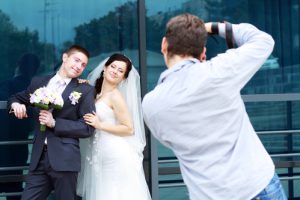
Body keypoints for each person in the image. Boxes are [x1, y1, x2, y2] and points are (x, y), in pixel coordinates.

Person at [142, 14, 286, 200]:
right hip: (255, 186)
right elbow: (263, 41)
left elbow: (168, 140)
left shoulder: (151, 104)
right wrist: (214, 27)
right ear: (203, 52)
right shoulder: (218, 71)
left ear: (164, 45)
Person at [7, 45, 95, 200]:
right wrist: (15, 104)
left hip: (65, 160)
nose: (79, 66)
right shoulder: (38, 82)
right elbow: (16, 97)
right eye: (76, 60)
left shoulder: (84, 90)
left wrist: (55, 123)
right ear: (65, 57)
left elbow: (87, 128)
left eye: (83, 65)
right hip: (38, 160)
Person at [77, 53, 151, 200]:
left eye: (120, 71)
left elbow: (129, 128)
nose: (115, 71)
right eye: (113, 66)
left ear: (124, 77)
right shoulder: (96, 93)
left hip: (115, 155)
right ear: (105, 68)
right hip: (100, 153)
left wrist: (100, 124)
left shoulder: (115, 96)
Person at [0, 53, 40, 200]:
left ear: (18, 65)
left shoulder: (7, 85)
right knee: (15, 187)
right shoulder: (36, 90)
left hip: (3, 147)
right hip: (20, 146)